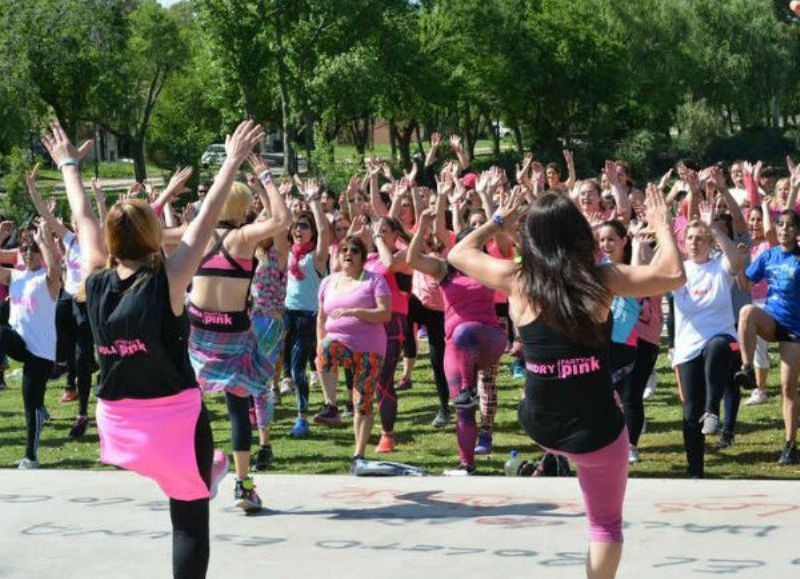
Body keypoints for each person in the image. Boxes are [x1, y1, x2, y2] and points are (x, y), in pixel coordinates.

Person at [43, 119, 263, 578]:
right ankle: (208, 472)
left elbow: (83, 217)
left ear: (112, 241)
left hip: (119, 425)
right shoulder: (167, 280)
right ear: (152, 236)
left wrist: (68, 165)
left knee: (184, 479)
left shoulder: (93, 280)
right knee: (188, 526)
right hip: (175, 424)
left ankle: (211, 469)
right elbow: (203, 224)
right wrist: (233, 161)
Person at [448, 185, 685, 579]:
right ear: (580, 233)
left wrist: (498, 222)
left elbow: (457, 254)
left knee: (554, 402)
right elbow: (673, 275)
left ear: (531, 240)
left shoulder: (517, 280)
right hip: (596, 432)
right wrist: (662, 226)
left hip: (540, 423)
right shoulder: (603, 280)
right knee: (605, 526)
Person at [182, 154, 289, 512]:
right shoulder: (243, 238)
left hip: (199, 334)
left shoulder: (194, 235)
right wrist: (265, 175)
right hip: (233, 335)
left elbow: (145, 236)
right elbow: (281, 219)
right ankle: (243, 485)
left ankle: (199, 470)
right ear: (242, 207)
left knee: (192, 406)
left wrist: (164, 198)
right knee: (237, 409)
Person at [406, 209, 506, 475]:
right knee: (463, 410)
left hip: (488, 339)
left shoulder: (489, 268)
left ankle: (467, 389)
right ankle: (467, 463)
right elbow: (412, 259)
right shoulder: (443, 270)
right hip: (458, 348)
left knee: (465, 333)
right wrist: (422, 228)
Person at [672, 203, 743, 476]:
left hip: (724, 343)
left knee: (716, 346)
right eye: (690, 238)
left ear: (710, 242)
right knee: (690, 414)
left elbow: (736, 261)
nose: (694, 243)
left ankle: (713, 410)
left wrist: (713, 226)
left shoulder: (719, 267)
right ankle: (695, 470)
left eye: (700, 238)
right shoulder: (680, 271)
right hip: (688, 349)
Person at [316, 235, 391, 471]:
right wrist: (320, 342)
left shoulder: (374, 281)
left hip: (370, 348)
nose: (348, 254)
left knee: (363, 402)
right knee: (325, 349)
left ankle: (358, 454)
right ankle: (331, 406)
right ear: (338, 256)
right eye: (344, 250)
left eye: (354, 251)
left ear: (362, 257)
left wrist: (356, 311)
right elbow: (321, 316)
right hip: (340, 344)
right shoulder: (328, 282)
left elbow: (384, 314)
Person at [736, 208, 800, 465]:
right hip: (772, 320)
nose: (784, 229)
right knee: (747, 311)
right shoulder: (768, 255)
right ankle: (747, 368)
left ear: (797, 231)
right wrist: (741, 262)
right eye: (780, 225)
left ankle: (789, 444)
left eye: (790, 225)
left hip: (795, 329)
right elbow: (745, 286)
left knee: (787, 387)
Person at [0, 220, 60, 469]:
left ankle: (31, 457)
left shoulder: (47, 280)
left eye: (31, 250)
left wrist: (44, 239)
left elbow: (55, 267)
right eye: (24, 250)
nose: (27, 254)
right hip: (19, 343)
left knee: (31, 404)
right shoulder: (16, 276)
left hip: (41, 352)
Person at [284, 180, 331, 436]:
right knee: (286, 367)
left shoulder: (316, 257)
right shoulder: (289, 253)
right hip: (286, 314)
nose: (299, 230)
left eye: (304, 226)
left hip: (309, 317)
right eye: (296, 226)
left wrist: (313, 201)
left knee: (297, 367)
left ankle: (302, 418)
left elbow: (325, 231)